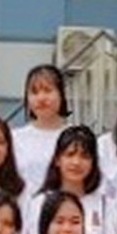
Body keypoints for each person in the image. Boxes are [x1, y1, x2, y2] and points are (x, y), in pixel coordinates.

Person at [10, 63, 69, 193]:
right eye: (34, 92)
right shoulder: (14, 138)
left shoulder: (74, 137)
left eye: (48, 90)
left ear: (61, 94)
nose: (41, 98)